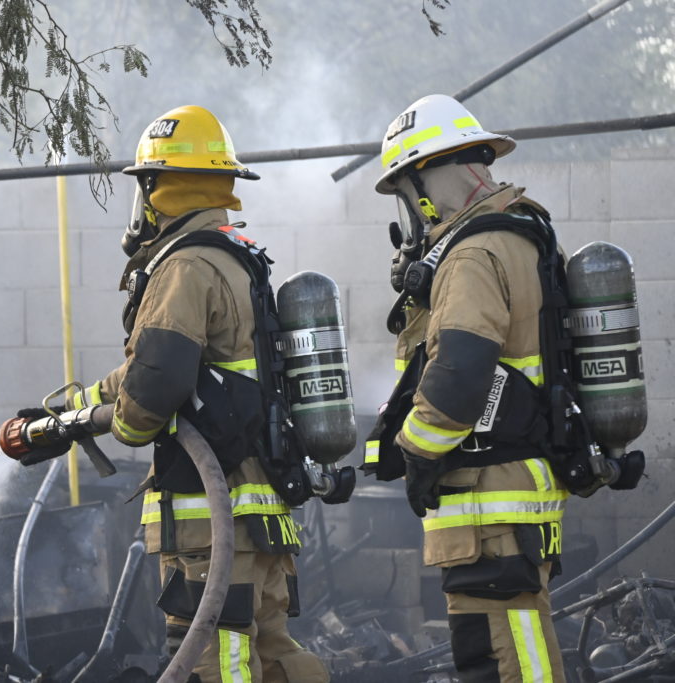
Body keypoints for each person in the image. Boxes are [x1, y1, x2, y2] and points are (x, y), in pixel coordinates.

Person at [45, 104, 329, 682]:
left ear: (159, 188)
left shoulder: (183, 266)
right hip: (260, 514)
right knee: (275, 656)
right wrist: (73, 413)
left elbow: (155, 387)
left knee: (215, 663)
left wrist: (126, 424)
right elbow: (155, 370)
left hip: (211, 521)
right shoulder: (235, 257)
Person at [364, 94, 568, 682]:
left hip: (488, 497)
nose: (412, 214)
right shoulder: (524, 234)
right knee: (506, 646)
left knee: (508, 656)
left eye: (407, 195)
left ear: (425, 182)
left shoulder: (472, 254)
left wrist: (414, 452)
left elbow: (458, 375)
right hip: (517, 488)